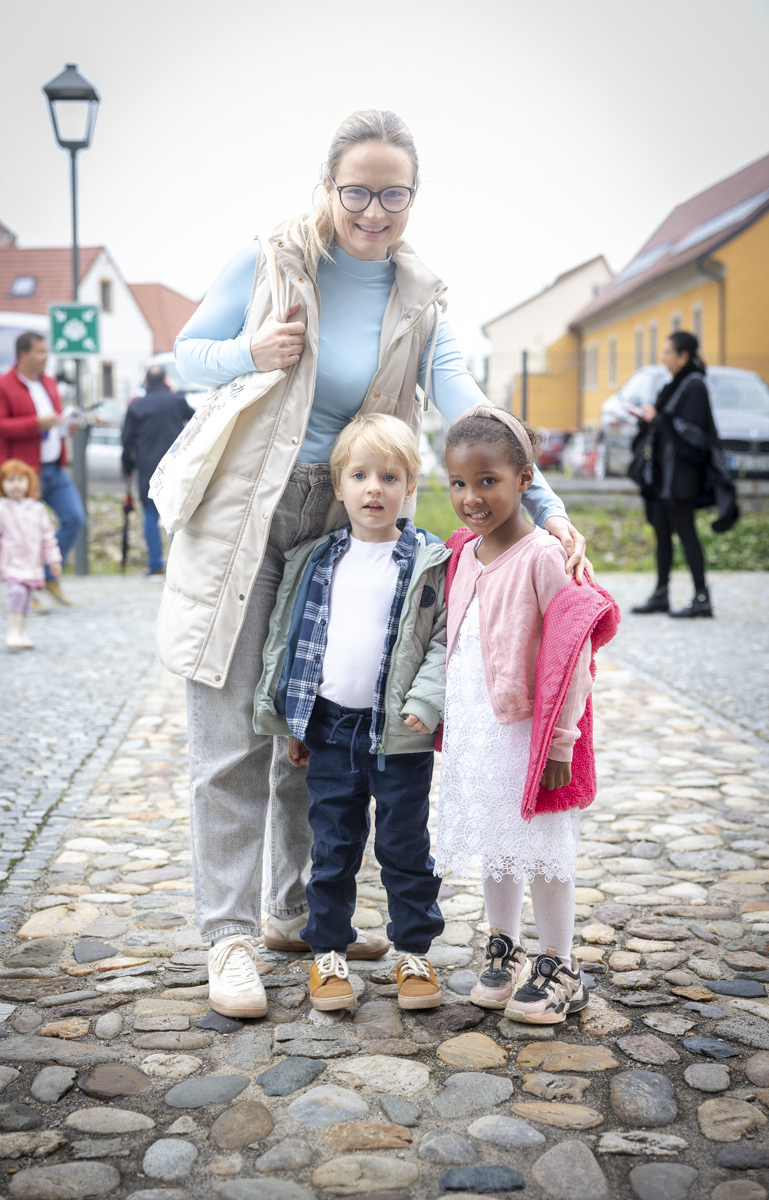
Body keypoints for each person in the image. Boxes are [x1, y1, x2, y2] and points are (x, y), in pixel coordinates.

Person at [159, 108, 590, 1020]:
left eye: (394, 192)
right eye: (357, 189)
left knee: (319, 725)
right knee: (232, 727)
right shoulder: (274, 260)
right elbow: (184, 357)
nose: (374, 209)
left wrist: (547, 511)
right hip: (248, 512)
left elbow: (469, 407)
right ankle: (228, 937)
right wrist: (249, 350)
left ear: (412, 197)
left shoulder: (419, 297)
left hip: (351, 510)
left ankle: (288, 911)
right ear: (328, 187)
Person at [254, 414, 447, 1016]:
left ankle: (413, 950)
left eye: (389, 476)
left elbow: (445, 640)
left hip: (400, 733)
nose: (374, 489)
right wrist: (293, 719)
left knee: (405, 845)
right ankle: (328, 953)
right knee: (333, 844)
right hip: (331, 727)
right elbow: (288, 638)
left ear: (409, 485)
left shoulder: (427, 560)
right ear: (338, 485)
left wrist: (426, 701)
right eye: (359, 475)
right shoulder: (316, 558)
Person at [434, 404, 619, 1025]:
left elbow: (573, 655)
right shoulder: (466, 553)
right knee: (497, 842)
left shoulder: (543, 556)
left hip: (527, 733)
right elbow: (455, 641)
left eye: (488, 481)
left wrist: (561, 745)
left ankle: (559, 963)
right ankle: (504, 947)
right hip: (477, 726)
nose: (471, 497)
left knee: (543, 848)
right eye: (459, 483)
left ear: (524, 480)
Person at [630, 330, 738, 619]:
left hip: (682, 478)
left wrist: (658, 419)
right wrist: (649, 419)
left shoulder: (694, 386)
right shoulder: (675, 384)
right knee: (662, 532)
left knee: (686, 533)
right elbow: (668, 424)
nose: (663, 358)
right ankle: (661, 593)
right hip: (664, 476)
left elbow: (693, 435)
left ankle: (702, 598)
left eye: (668, 353)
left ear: (683, 356)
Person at [0, 332, 84, 605]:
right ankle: (27, 590)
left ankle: (46, 576)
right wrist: (35, 424)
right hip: (22, 473)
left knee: (75, 518)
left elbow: (51, 425)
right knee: (22, 533)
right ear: (23, 354)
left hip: (53, 467)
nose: (46, 356)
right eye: (40, 352)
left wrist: (67, 425)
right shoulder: (0, 386)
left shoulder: (49, 383)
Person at [0, 459, 62, 650]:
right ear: (1, 484)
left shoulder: (38, 510)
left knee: (27, 597)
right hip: (12, 563)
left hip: (32, 564)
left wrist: (53, 560)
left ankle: (22, 632)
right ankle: (12, 631)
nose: (15, 485)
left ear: (29, 483)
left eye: (20, 480)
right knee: (16, 593)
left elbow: (48, 538)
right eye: (10, 480)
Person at [121, 365, 195, 575]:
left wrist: (127, 468)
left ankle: (155, 565)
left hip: (147, 470)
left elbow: (126, 442)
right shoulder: (176, 401)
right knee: (176, 515)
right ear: (165, 381)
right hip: (175, 467)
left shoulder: (137, 407)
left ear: (146, 382)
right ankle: (177, 566)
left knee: (150, 516)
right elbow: (197, 420)